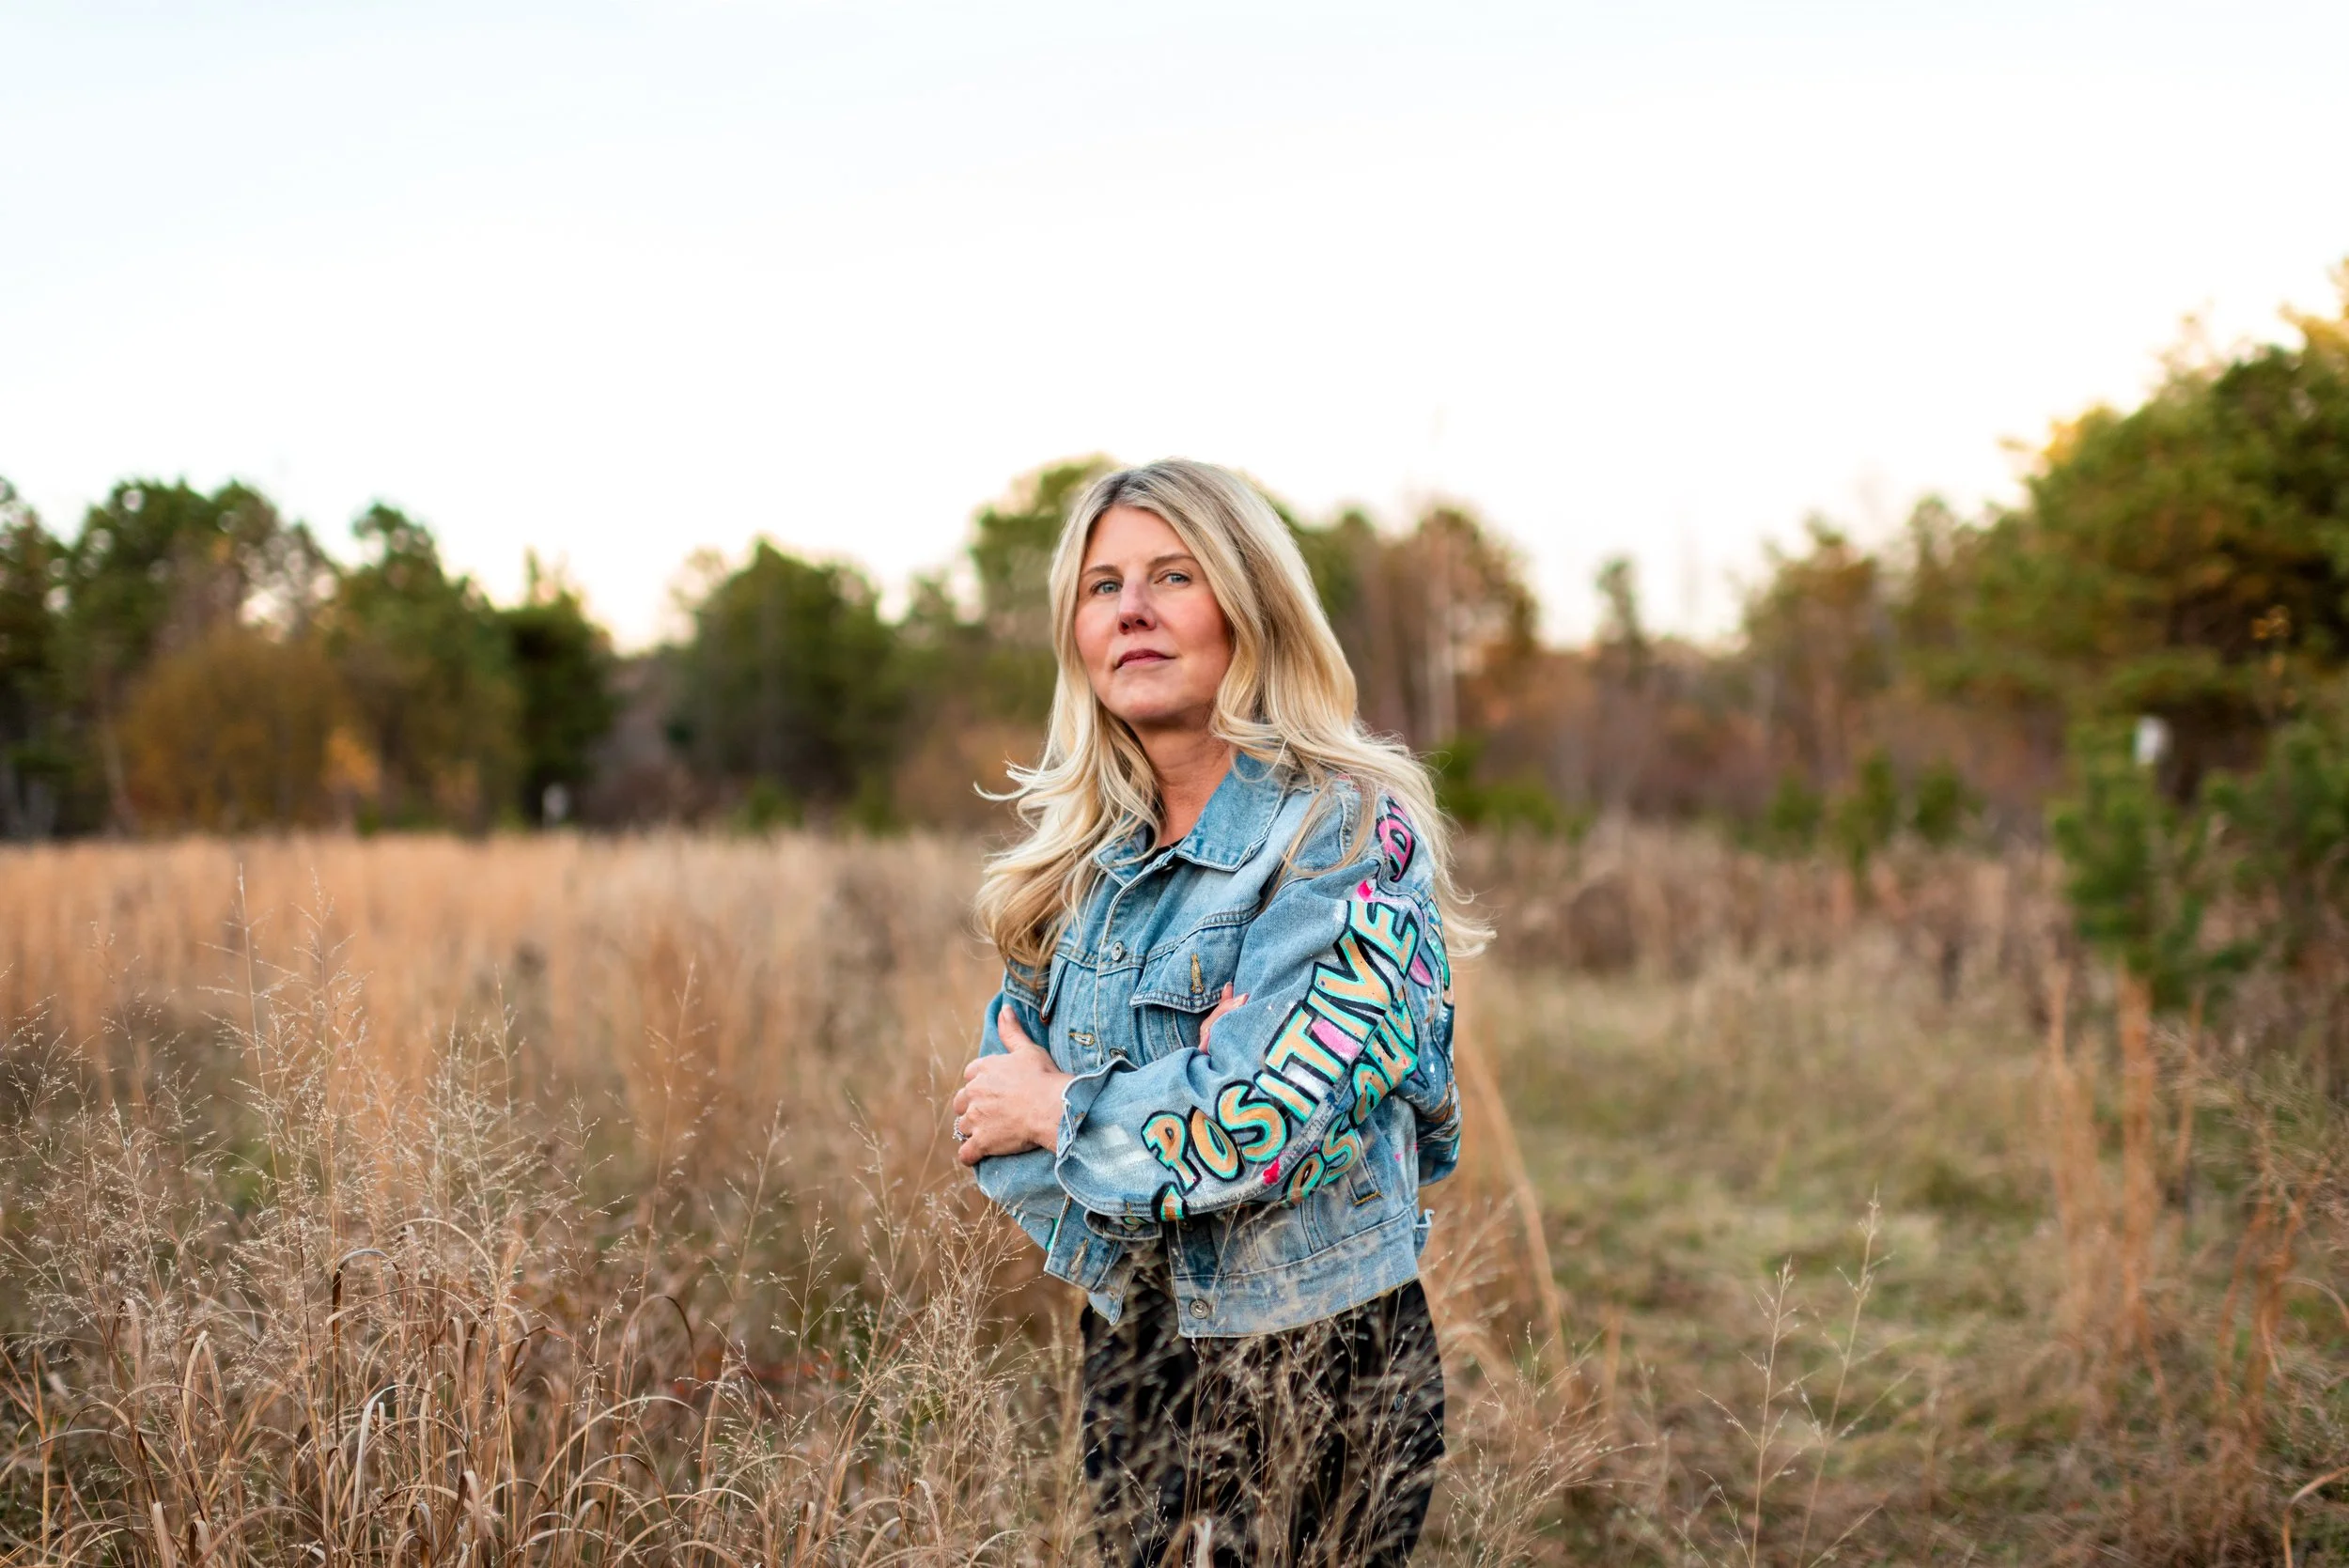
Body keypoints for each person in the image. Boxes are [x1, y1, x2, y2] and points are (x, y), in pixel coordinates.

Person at [950, 458, 1482, 1566]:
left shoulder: (1343, 837)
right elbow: (995, 1122)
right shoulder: (1081, 866)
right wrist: (1163, 1104)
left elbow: (1262, 1118)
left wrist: (1078, 1112)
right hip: (1136, 1355)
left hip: (1320, 1352)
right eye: (1102, 587)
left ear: (1250, 607)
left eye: (1172, 575)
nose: (1132, 610)